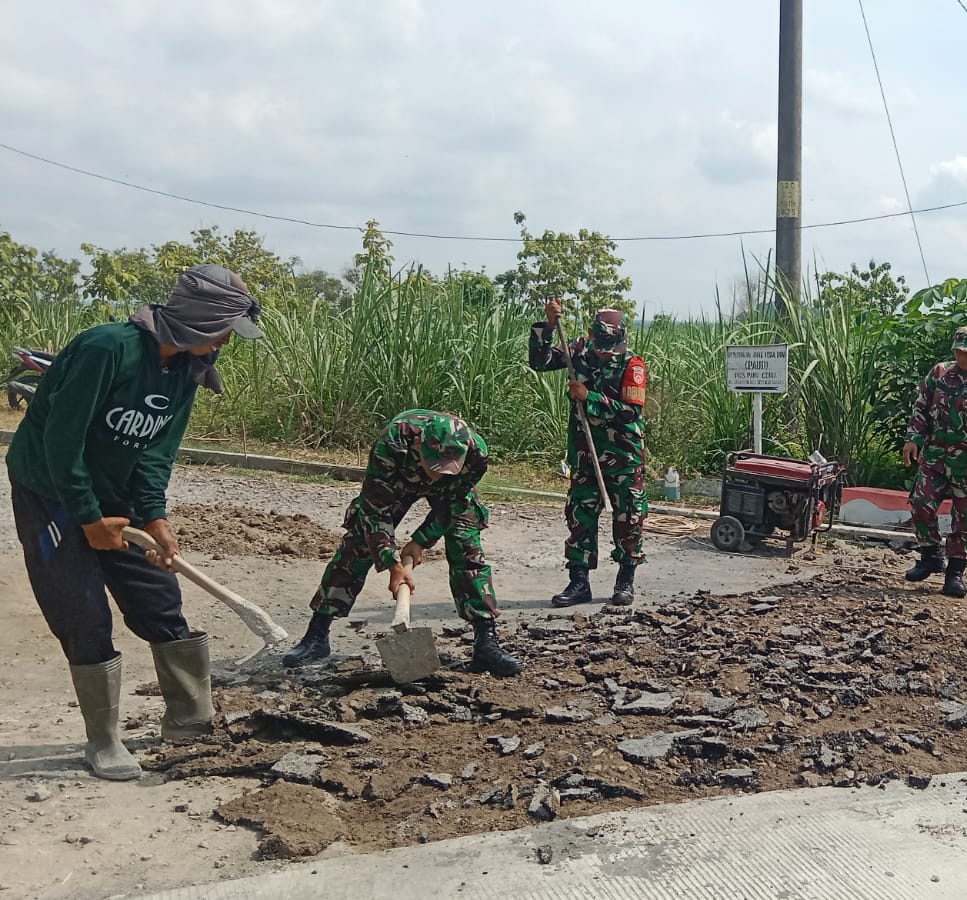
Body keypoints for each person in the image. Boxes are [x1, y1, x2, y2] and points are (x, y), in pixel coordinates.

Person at [7, 264, 262, 781]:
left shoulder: (188, 371)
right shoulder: (108, 349)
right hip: (52, 494)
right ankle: (103, 741)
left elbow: (154, 454)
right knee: (82, 615)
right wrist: (88, 517)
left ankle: (190, 722)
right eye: (225, 331)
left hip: (114, 496)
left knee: (160, 600)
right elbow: (62, 441)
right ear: (199, 321)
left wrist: (155, 515)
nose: (226, 344)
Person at [281, 410, 521, 676]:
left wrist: (420, 541)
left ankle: (486, 642)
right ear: (418, 445)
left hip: (451, 498)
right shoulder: (392, 444)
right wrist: (392, 564)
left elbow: (455, 504)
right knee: (359, 544)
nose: (438, 475)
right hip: (397, 483)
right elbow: (375, 512)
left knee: (467, 547)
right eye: (435, 466)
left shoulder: (474, 454)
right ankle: (317, 635)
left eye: (447, 467)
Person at [529, 299, 649, 608]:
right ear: (591, 336)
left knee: (628, 517)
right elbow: (540, 362)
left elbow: (631, 413)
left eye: (613, 347)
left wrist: (589, 397)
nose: (607, 353)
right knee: (580, 514)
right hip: (585, 452)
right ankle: (579, 582)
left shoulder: (631, 364)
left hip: (623, 455)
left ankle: (625, 580)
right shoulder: (578, 351)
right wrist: (547, 327)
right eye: (603, 346)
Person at [901, 325, 967, 599]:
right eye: (958, 351)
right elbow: (921, 407)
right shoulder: (939, 374)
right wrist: (913, 437)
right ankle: (931, 555)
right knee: (920, 503)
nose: (961, 357)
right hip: (935, 454)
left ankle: (955, 573)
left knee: (965, 518)